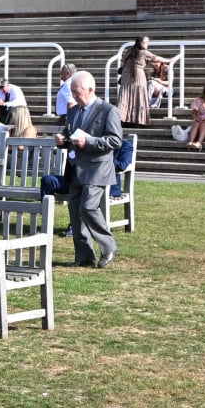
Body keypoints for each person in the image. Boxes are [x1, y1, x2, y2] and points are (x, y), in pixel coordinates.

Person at [57, 71, 123, 268]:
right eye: (73, 93)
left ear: (90, 89)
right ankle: (84, 257)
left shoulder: (108, 111)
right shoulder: (73, 110)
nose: (75, 97)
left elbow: (115, 140)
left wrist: (89, 141)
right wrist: (62, 139)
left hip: (97, 169)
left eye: (77, 93)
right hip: (75, 168)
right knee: (75, 212)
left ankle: (109, 245)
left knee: (88, 207)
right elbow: (69, 133)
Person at [116, 37, 166, 128]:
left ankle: (123, 120)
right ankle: (138, 121)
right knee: (138, 97)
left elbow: (122, 64)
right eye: (146, 42)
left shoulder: (129, 50)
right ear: (141, 43)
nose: (148, 43)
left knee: (125, 97)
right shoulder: (143, 52)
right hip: (138, 75)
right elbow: (156, 58)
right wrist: (171, 60)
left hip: (126, 75)